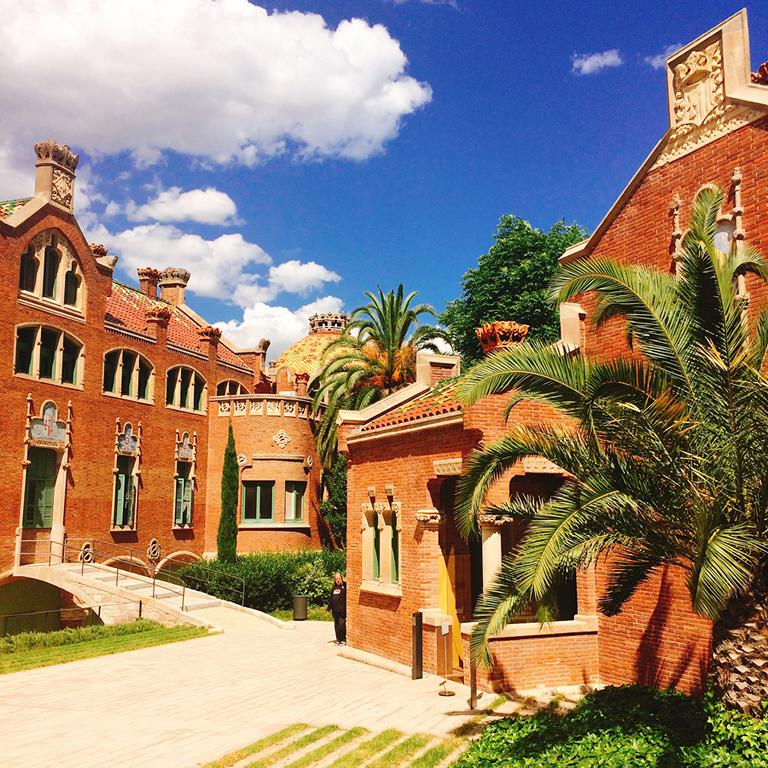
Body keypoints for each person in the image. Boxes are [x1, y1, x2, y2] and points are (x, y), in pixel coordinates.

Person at [327, 572, 346, 644]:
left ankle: (343, 639)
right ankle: (338, 639)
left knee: (342, 625)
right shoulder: (333, 587)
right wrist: (329, 608)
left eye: (339, 579)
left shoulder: (345, 586)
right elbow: (331, 598)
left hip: (342, 611)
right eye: (336, 579)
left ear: (341, 579)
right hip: (335, 611)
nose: (338, 580)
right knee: (337, 625)